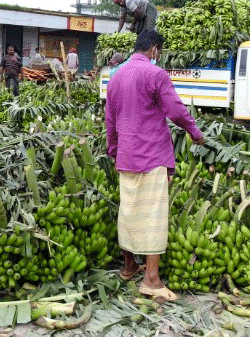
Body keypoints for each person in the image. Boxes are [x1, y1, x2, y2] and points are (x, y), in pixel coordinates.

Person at [105, 29, 205, 302]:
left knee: (128, 211)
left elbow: (110, 121)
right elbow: (175, 110)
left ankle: (128, 267)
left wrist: (114, 150)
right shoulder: (156, 74)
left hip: (127, 155)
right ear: (155, 50)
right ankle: (151, 279)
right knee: (153, 217)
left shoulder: (116, 78)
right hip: (151, 156)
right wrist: (195, 133)